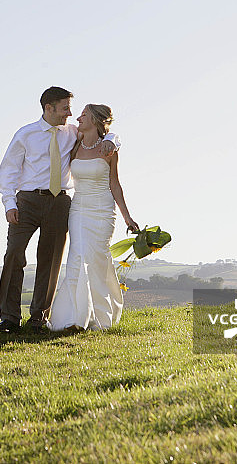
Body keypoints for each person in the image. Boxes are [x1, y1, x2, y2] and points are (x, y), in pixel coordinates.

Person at [0, 87, 121, 333]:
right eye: (65, 108)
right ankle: (9, 319)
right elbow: (8, 170)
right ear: (48, 108)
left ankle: (39, 319)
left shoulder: (73, 133)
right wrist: (9, 203)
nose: (70, 114)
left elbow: (106, 133)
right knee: (14, 254)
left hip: (60, 202)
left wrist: (112, 139)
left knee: (50, 261)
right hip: (27, 202)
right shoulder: (25, 134)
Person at [48, 104, 138, 331]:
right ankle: (73, 319)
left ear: (96, 120)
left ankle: (99, 317)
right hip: (78, 209)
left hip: (103, 210)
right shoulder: (75, 142)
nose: (78, 117)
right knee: (77, 257)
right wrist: (114, 136)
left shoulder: (109, 149)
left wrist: (128, 218)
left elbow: (115, 184)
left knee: (97, 260)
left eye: (84, 115)